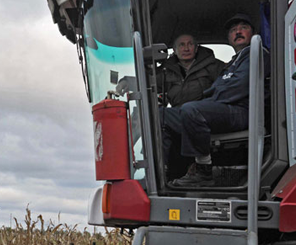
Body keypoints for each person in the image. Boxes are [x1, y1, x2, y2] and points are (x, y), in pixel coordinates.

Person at [170, 13, 271, 187]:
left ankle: (203, 171)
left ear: (254, 33)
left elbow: (239, 86)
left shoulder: (257, 53)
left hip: (242, 111)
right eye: (233, 30)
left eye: (243, 28)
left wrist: (212, 98)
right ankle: (168, 172)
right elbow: (220, 87)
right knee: (161, 116)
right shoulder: (232, 62)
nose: (238, 32)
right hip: (225, 109)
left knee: (192, 109)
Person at [116, 34, 225, 179]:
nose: (186, 48)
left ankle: (201, 166)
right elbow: (148, 81)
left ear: (196, 47)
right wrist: (126, 82)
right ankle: (160, 171)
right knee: (158, 118)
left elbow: (228, 83)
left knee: (163, 115)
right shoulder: (168, 70)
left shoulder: (213, 66)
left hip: (206, 115)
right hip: (181, 117)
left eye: (190, 44)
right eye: (181, 45)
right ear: (174, 49)